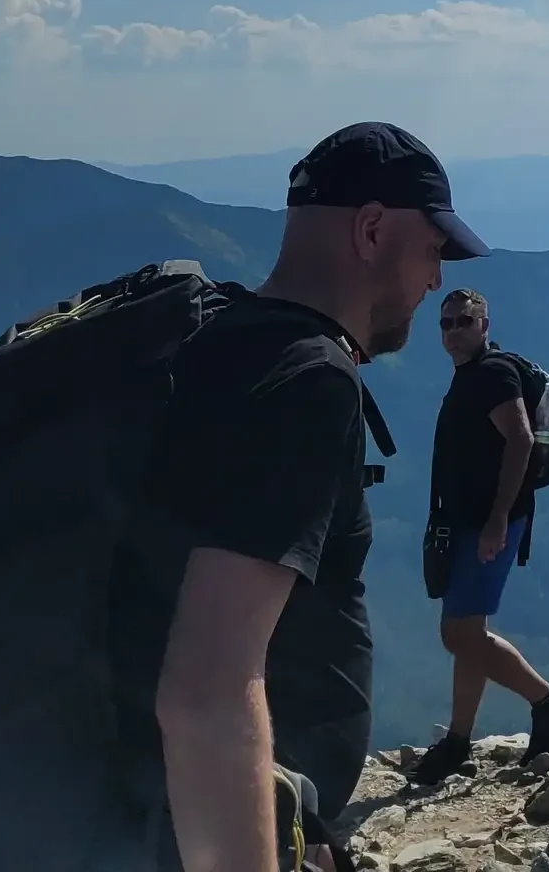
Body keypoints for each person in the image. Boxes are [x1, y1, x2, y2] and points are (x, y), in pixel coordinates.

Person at [113, 120, 488, 872]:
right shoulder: (305, 385)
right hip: (188, 830)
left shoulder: (218, 341)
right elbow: (206, 695)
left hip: (155, 810)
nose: (435, 281)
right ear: (374, 230)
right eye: (432, 251)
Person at [408, 288, 549, 787]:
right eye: (444, 324)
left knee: (459, 634)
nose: (452, 332)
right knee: (469, 632)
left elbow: (522, 439)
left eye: (463, 322)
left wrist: (498, 520)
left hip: (489, 523)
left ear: (484, 325)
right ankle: (459, 741)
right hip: (471, 520)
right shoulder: (472, 375)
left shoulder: (492, 374)